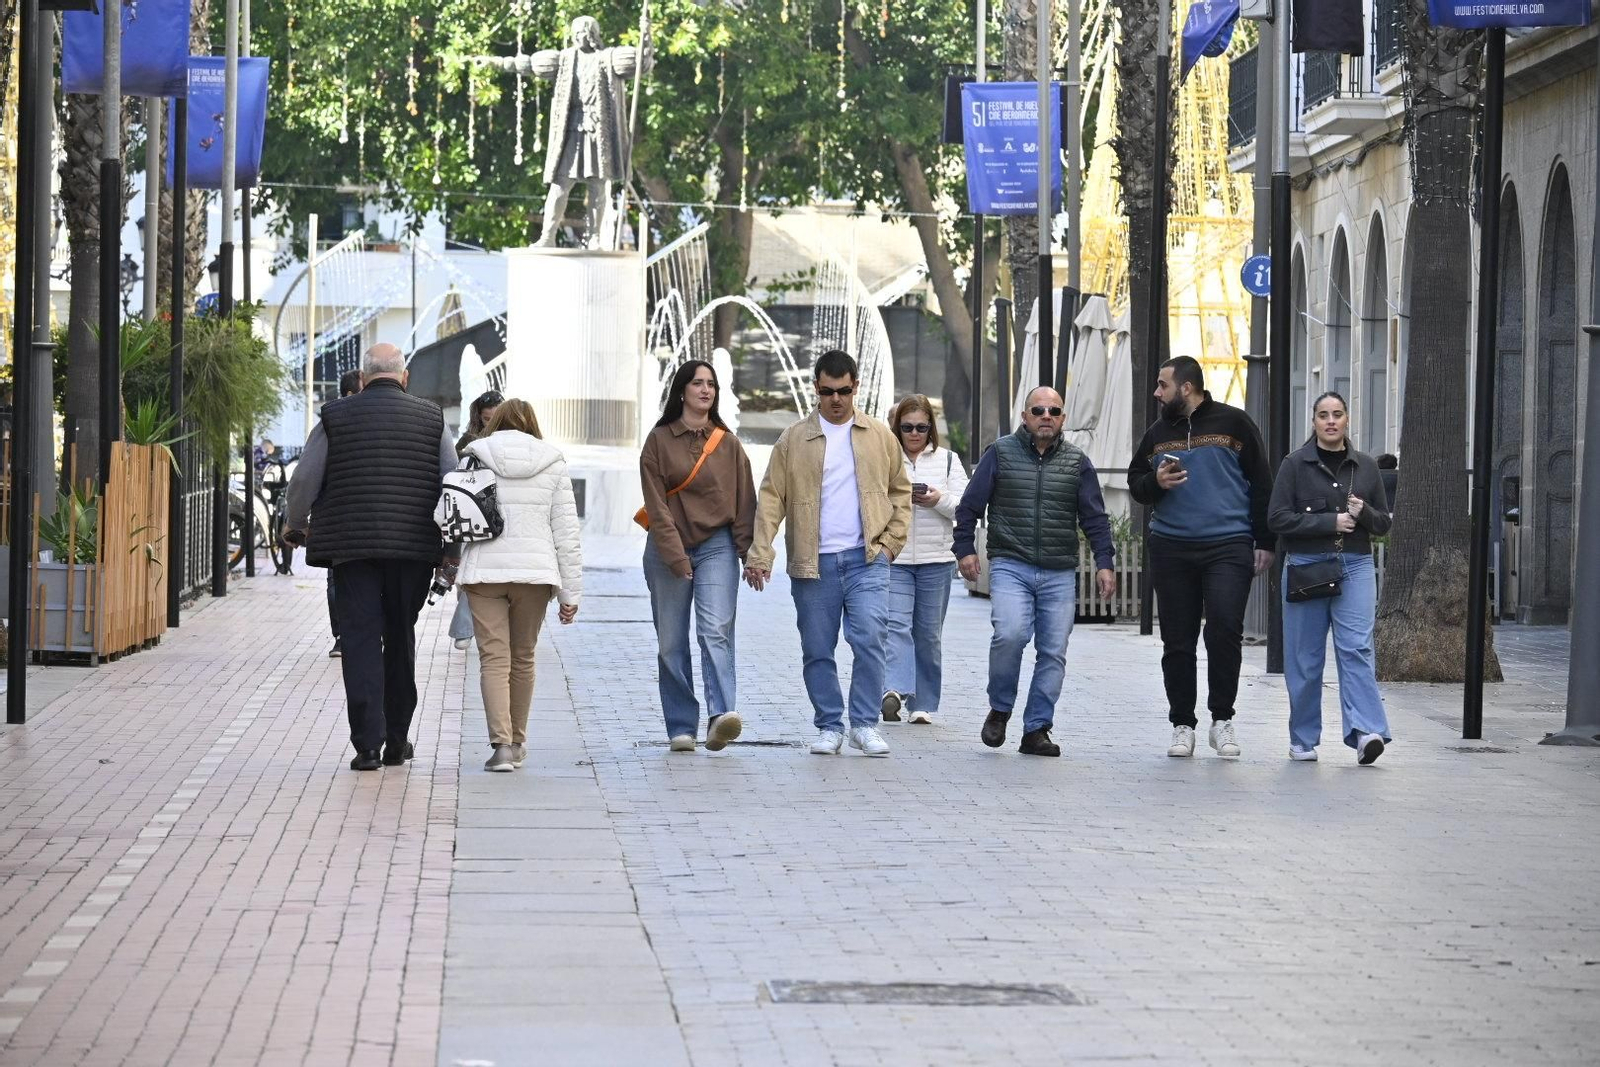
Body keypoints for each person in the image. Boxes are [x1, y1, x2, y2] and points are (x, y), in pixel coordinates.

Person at [285, 343, 460, 772]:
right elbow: (452, 483)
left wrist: (295, 523)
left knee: (361, 639)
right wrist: (450, 552)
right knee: (401, 635)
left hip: (353, 549)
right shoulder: (432, 418)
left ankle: (367, 745)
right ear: (403, 377)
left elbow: (305, 478)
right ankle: (397, 740)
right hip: (413, 549)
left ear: (362, 379)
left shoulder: (334, 416)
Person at [744, 350, 911, 758]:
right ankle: (830, 725)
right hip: (812, 562)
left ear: (856, 388)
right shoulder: (794, 439)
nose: (835, 399)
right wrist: (760, 554)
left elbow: (900, 493)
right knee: (818, 648)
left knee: (871, 637)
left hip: (866, 558)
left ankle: (865, 724)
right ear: (815, 389)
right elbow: (771, 498)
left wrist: (890, 545)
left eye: (843, 391)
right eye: (826, 391)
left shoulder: (879, 436)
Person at [954, 388, 1118, 756]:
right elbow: (969, 507)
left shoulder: (1078, 462)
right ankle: (1000, 708)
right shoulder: (1000, 453)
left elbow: (1095, 518)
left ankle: (1037, 729)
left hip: (1059, 570)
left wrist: (1104, 563)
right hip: (1011, 563)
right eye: (1038, 410)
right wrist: (964, 550)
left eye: (1054, 411)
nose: (1046, 415)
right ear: (1025, 416)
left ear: (1063, 419)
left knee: (1054, 651)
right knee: (1009, 635)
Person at [1129, 356, 1274, 760]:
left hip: (1229, 544)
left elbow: (1262, 482)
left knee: (1225, 629)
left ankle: (1222, 720)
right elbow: (1135, 484)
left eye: (1163, 385)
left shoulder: (1235, 424)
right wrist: (1154, 481)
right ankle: (1182, 725)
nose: (1157, 393)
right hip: (1171, 546)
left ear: (1186, 388)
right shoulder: (1157, 434)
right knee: (1177, 639)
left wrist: (1265, 540)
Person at [457, 399, 583, 772]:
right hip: (534, 573)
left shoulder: (474, 456)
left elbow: (450, 510)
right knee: (523, 657)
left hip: (485, 571)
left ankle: (500, 748)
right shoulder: (553, 462)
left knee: (493, 658)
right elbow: (566, 532)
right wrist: (569, 592)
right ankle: (517, 741)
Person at [1269, 392, 1393, 765]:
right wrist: (1329, 521)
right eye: (1323, 415)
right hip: (1306, 564)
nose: (1330, 421)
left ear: (1347, 420)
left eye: (1337, 414)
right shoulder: (1294, 465)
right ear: (1314, 422)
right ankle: (1303, 739)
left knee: (1356, 648)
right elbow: (1276, 519)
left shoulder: (1366, 467)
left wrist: (1365, 511)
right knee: (1305, 657)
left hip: (1354, 564)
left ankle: (1366, 732)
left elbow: (1384, 523)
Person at [640, 360, 756, 752]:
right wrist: (675, 556)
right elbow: (656, 508)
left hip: (717, 545)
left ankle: (720, 716)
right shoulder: (658, 440)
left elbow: (744, 504)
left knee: (715, 631)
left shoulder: (728, 443)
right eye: (697, 383)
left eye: (712, 384)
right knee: (671, 642)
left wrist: (749, 555)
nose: (706, 390)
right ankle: (681, 726)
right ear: (682, 391)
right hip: (666, 548)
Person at [881, 394, 969, 726]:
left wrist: (937, 499)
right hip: (896, 556)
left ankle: (924, 704)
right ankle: (894, 690)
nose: (914, 433)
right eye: (907, 427)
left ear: (931, 427)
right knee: (896, 627)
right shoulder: (886, 458)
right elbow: (870, 501)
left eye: (921, 427)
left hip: (937, 558)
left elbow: (965, 506)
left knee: (928, 633)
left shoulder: (947, 460)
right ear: (897, 427)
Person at [449, 389, 504, 651]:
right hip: (474, 513)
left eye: (495, 417)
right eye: (486, 418)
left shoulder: (513, 440)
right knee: (469, 572)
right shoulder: (469, 442)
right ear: (478, 417)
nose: (490, 423)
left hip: (499, 514)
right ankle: (467, 627)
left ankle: (471, 628)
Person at [324, 370, 365, 659]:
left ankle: (343, 637)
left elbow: (308, 476)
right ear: (352, 394)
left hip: (338, 519)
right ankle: (346, 635)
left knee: (338, 580)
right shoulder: (337, 421)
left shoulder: (330, 422)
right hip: (344, 519)